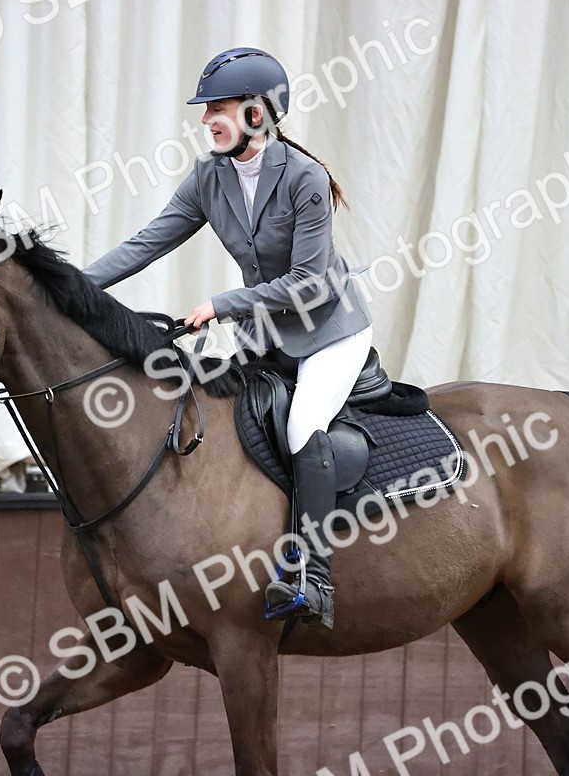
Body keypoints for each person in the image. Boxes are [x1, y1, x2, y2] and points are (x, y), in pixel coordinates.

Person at [83, 47, 373, 629]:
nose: (206, 118)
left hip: (329, 335)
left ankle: (311, 577)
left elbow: (312, 285)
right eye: (206, 108)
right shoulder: (208, 176)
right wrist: (68, 288)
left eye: (219, 107)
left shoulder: (305, 179)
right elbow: (147, 242)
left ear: (259, 114)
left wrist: (221, 305)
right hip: (264, 334)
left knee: (302, 429)